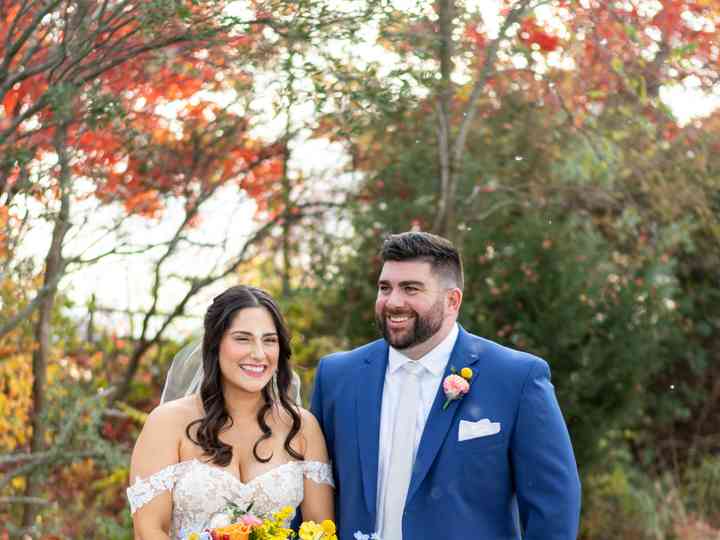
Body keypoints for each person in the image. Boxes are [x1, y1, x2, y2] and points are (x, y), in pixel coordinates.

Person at [311, 231, 581, 540]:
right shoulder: (336, 376)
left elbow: (554, 505)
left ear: (452, 300)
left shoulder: (517, 378)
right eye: (385, 288)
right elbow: (309, 488)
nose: (393, 301)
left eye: (411, 288)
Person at [127, 286, 334, 539]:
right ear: (215, 343)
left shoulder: (302, 427)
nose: (259, 354)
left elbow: (322, 532)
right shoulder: (166, 423)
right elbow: (148, 531)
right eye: (242, 338)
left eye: (269, 340)